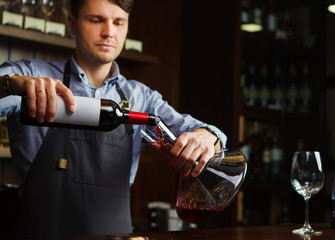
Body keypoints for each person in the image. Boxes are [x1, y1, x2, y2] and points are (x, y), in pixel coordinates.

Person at [0, 0, 227, 238]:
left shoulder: (142, 98)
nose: (109, 32)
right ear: (72, 23)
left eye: (118, 22)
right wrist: (9, 83)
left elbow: (196, 130)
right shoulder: (34, 76)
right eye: (96, 20)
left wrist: (207, 136)